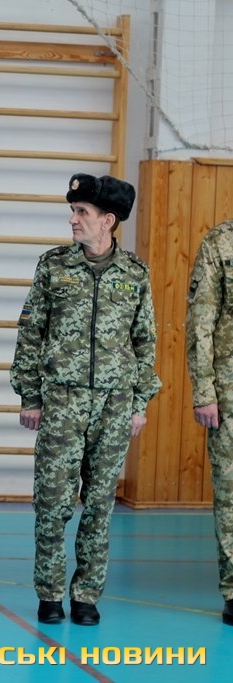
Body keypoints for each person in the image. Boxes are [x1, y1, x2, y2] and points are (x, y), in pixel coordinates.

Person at [10, 173, 160, 626]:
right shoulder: (54, 265)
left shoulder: (135, 273)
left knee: (99, 504)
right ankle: (50, 593)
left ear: (107, 221)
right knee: (52, 501)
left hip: (115, 404)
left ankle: (86, 595)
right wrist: (30, 396)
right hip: (62, 401)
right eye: (73, 211)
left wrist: (139, 403)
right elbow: (31, 332)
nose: (73, 219)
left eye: (82, 212)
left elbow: (145, 341)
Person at [186, 217, 233, 627]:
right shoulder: (221, 242)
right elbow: (201, 321)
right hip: (230, 390)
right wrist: (204, 390)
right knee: (231, 494)